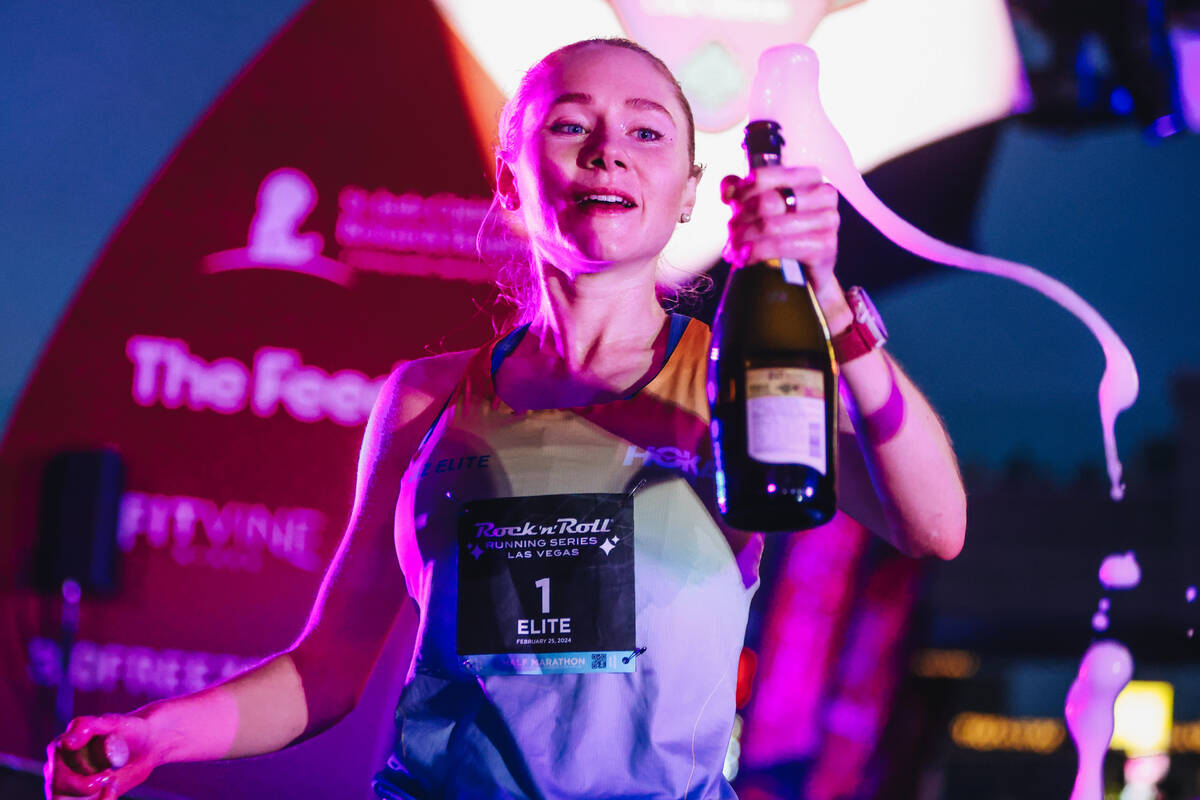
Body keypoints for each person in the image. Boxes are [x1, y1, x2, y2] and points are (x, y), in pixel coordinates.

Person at [45, 37, 965, 800]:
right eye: (571, 127)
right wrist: (156, 734)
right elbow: (326, 670)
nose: (607, 151)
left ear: (689, 192)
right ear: (512, 177)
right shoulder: (424, 398)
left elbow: (935, 527)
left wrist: (833, 308)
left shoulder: (737, 378)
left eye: (646, 133)